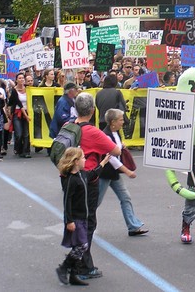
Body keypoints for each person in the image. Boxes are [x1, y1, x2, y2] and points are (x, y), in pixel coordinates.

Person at [73, 93, 121, 279]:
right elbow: (115, 150)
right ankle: (82, 266)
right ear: (92, 111)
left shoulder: (68, 126)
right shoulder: (93, 131)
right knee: (87, 223)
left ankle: (81, 262)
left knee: (77, 221)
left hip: (70, 178)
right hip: (88, 180)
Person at [56, 148, 111, 286]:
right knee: (82, 245)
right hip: (76, 218)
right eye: (83, 158)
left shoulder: (83, 174)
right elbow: (67, 201)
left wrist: (103, 162)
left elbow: (94, 174)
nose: (85, 160)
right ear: (75, 162)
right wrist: (69, 220)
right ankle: (63, 267)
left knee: (80, 245)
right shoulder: (71, 180)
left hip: (83, 217)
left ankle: (74, 274)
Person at [98, 109, 148, 237]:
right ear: (113, 122)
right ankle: (83, 224)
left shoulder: (115, 133)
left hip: (113, 174)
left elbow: (116, 149)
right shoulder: (106, 135)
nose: (123, 122)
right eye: (120, 119)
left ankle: (133, 226)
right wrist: (127, 171)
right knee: (95, 201)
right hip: (105, 173)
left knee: (125, 197)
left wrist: (122, 146)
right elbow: (111, 158)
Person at [7, 72, 31, 158]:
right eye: (19, 78)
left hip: (27, 112)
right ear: (16, 80)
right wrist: (9, 113)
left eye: (22, 78)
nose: (21, 80)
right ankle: (18, 148)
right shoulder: (14, 91)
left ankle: (26, 151)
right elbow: (18, 104)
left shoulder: (28, 89)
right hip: (18, 113)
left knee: (26, 133)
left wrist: (28, 115)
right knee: (19, 134)